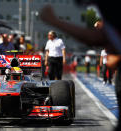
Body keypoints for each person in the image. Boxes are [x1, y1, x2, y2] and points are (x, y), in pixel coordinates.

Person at [40, 1, 121, 130]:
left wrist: (54, 20)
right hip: (51, 59)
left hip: (58, 59)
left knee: (58, 75)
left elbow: (95, 37)